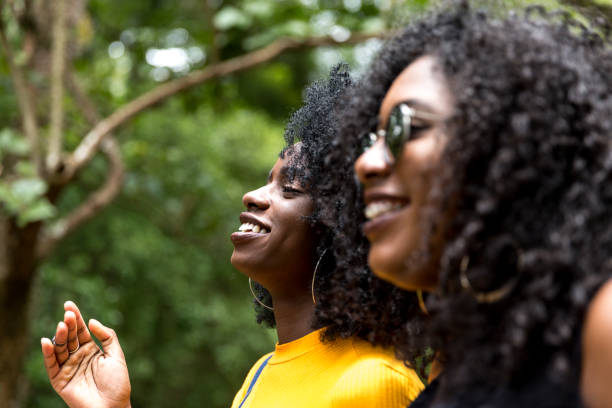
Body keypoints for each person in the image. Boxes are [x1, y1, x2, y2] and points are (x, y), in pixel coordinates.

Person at [41, 66, 425, 408]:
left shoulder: (375, 385)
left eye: (289, 188)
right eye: (267, 181)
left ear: (342, 227)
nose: (253, 196)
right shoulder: (260, 374)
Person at [320, 2, 612, 407]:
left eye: (407, 128)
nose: (366, 163)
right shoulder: (460, 365)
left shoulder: (601, 327)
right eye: (371, 140)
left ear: (506, 146)